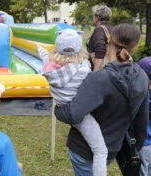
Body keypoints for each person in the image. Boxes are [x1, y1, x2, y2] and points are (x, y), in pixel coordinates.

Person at [54, 23, 149, 176]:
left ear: (108, 40)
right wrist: (136, 147)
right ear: (136, 46)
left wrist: (58, 107)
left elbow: (72, 114)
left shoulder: (99, 78)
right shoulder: (142, 76)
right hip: (112, 148)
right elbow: (142, 120)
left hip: (84, 151)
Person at [37, 29, 108, 176]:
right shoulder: (84, 69)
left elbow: (44, 55)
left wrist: (39, 48)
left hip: (61, 108)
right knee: (100, 150)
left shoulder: (49, 66)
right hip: (78, 114)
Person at [86, 5, 113, 71]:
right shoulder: (113, 28)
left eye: (93, 16)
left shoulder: (99, 29)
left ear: (97, 17)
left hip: (101, 68)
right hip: (111, 65)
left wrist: (96, 69)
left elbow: (100, 49)